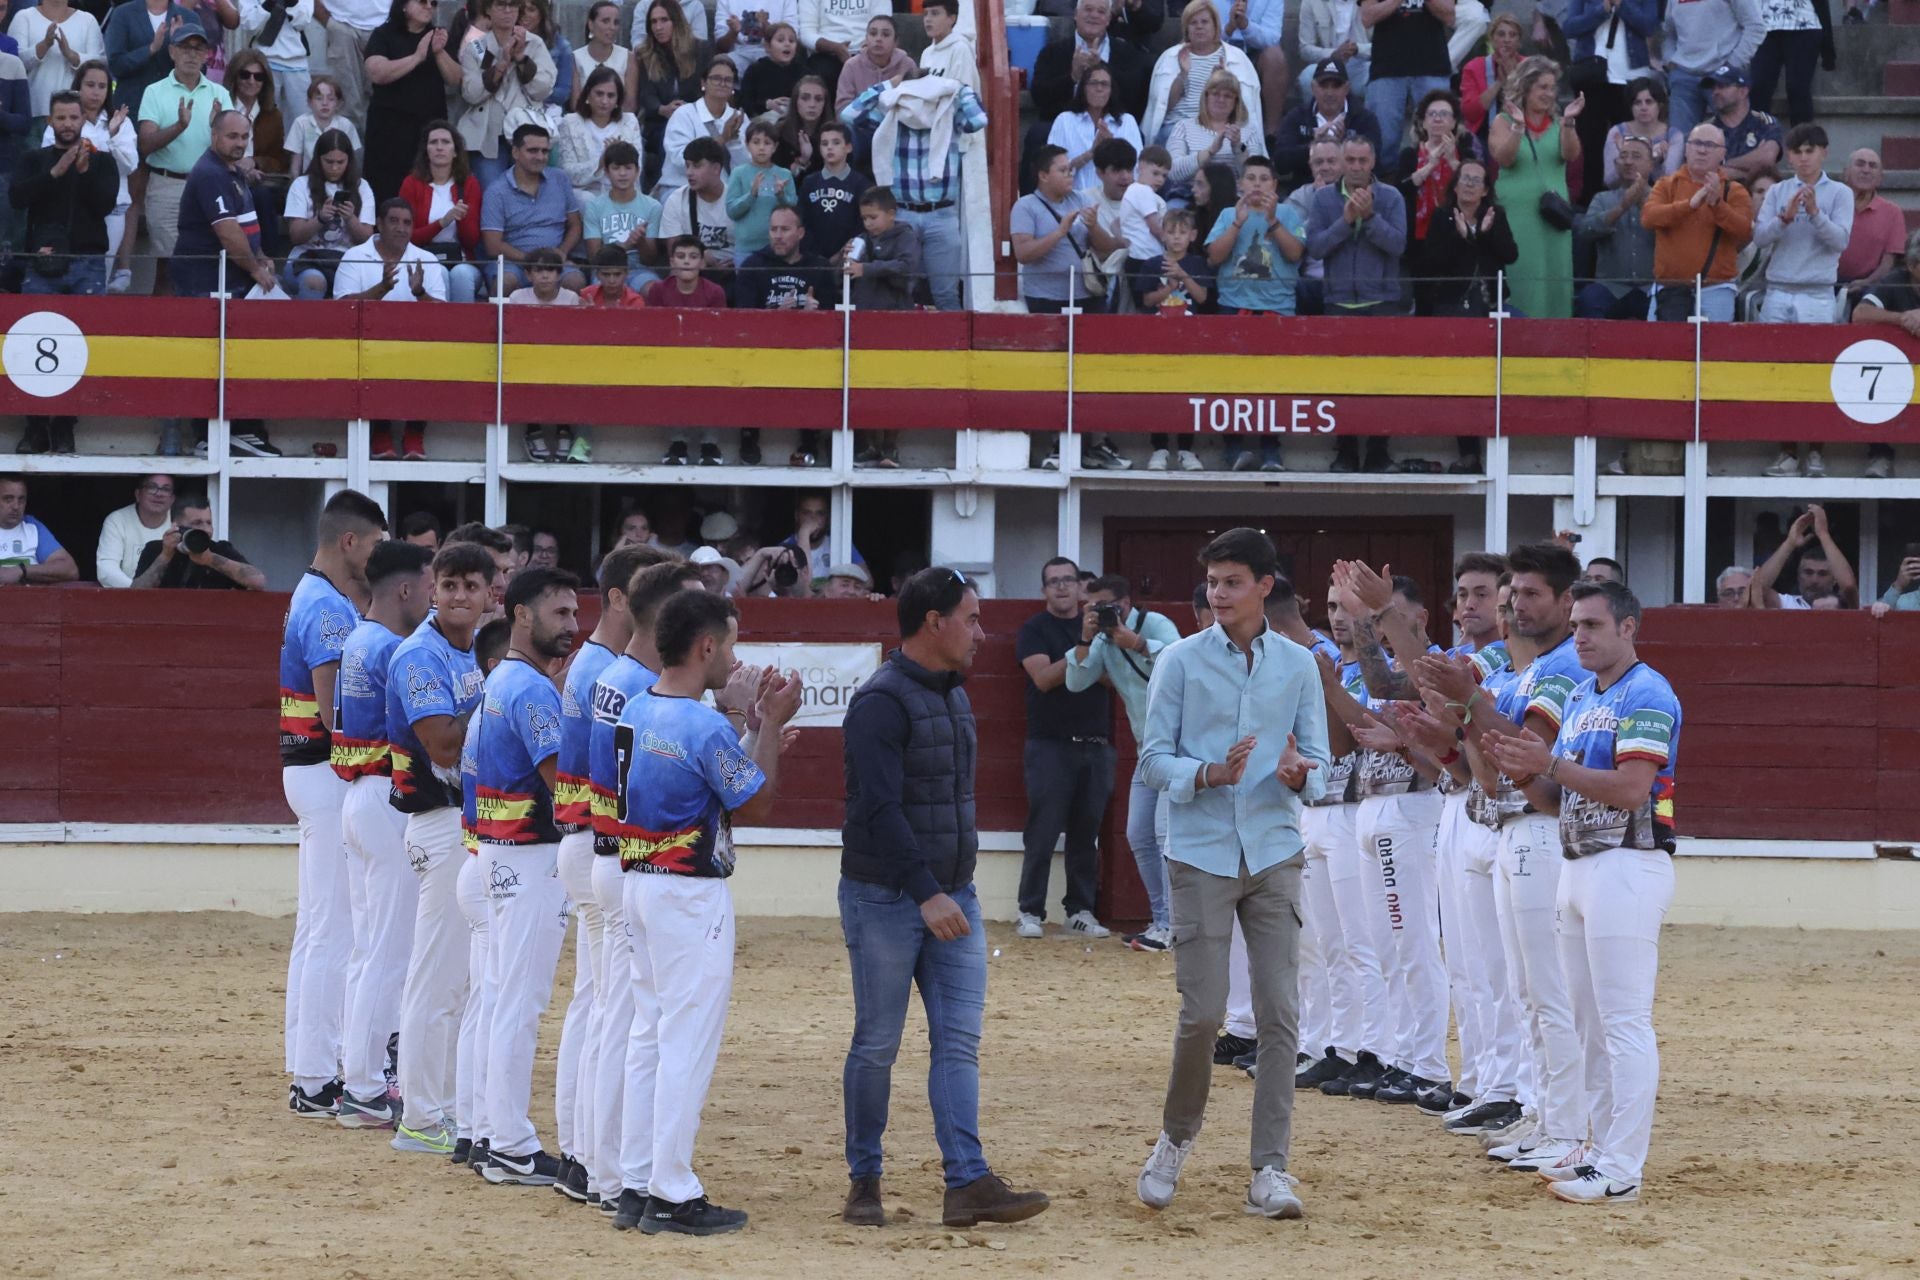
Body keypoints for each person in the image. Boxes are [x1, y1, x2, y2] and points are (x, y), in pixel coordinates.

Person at [838, 566, 1054, 1229]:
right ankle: (865, 1182)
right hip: (888, 898)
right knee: (878, 1042)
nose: (982, 632)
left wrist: (948, 888)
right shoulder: (879, 701)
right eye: (972, 617)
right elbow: (878, 809)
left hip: (948, 891)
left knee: (958, 1043)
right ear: (934, 622)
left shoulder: (952, 695)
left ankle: (967, 1183)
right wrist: (929, 893)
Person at [1135, 527, 1328, 1220]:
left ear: (1265, 587)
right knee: (1206, 1012)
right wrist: (1211, 773)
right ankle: (1174, 1142)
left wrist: (1302, 773)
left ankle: (1270, 1168)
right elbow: (1152, 759)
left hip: (1274, 847)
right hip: (1201, 851)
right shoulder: (1180, 662)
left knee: (1281, 1013)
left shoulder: (1300, 666)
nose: (1218, 594)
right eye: (1214, 582)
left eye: (1232, 582)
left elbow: (1323, 766)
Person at [1484, 578, 1682, 1204]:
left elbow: (1630, 789)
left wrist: (1548, 766)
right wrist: (1522, 773)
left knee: (1624, 1023)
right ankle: (1598, 1149)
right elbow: (1555, 797)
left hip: (1628, 861)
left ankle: (1623, 1165)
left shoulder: (1648, 692)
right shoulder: (1575, 697)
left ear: (1629, 627)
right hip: (1578, 863)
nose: (1581, 637)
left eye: (1593, 626)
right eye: (1575, 627)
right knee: (1590, 1023)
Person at [612, 589, 803, 1235]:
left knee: (648, 1034)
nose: (734, 657)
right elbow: (755, 806)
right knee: (684, 1041)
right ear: (705, 647)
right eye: (730, 643)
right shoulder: (700, 725)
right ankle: (671, 1190)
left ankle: (636, 1183)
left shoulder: (637, 710)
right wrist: (770, 726)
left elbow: (723, 785)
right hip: (688, 894)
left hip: (637, 880)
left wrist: (753, 730)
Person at [585, 552, 696, 1222]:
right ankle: (613, 1174)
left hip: (603, 850)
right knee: (628, 1023)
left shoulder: (615, 673)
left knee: (612, 1018)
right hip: (628, 857)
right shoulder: (638, 685)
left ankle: (602, 1167)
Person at [470, 567, 580, 1187]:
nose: (571, 625)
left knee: (502, 993)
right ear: (520, 616)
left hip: (501, 850)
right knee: (520, 997)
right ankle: (510, 1142)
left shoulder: (504, 681)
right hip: (532, 856)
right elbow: (562, 787)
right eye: (559, 613)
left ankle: (493, 1131)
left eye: (573, 613)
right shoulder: (530, 690)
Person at [279, 488, 387, 1117]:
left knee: (318, 925)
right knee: (334, 928)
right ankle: (316, 1079)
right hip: (324, 771)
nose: (379, 554)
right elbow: (333, 711)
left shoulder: (318, 597)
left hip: (309, 771)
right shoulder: (327, 609)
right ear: (350, 541)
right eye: (375, 543)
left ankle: (309, 1067)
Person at [388, 539, 496, 1155]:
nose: (458, 596)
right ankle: (422, 1117)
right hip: (439, 821)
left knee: (454, 977)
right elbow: (446, 747)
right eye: (449, 585)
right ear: (432, 589)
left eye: (470, 587)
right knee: (437, 973)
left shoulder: (467, 652)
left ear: (488, 594)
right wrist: (500, 696)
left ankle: (440, 1108)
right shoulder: (420, 656)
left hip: (460, 820)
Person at [327, 538, 435, 1128]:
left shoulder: (361, 640)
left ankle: (361, 1077)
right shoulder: (393, 650)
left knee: (371, 946)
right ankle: (366, 1086)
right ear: (404, 589)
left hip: (360, 796)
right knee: (387, 951)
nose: (433, 600)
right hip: (386, 797)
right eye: (428, 587)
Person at [1064, 572, 1183, 949]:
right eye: (1094, 608)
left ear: (1126, 604)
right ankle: (1161, 920)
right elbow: (1075, 683)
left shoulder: (1155, 624)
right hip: (1148, 748)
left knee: (1166, 835)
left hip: (1180, 746)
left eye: (1108, 607)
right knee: (1138, 835)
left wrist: (1139, 643)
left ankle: (1175, 925)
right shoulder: (1100, 638)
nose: (1102, 614)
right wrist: (1085, 637)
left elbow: (1183, 662)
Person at [1013, 557, 1115, 940]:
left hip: (1095, 741)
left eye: (1068, 580)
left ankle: (1080, 909)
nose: (1061, 587)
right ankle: (1030, 910)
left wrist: (1087, 650)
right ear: (1043, 590)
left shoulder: (1101, 629)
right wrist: (1084, 651)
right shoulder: (1035, 629)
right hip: (1050, 745)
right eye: (1053, 582)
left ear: (1080, 587)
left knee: (1086, 832)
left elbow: (1110, 677)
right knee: (1043, 830)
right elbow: (1042, 678)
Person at [840, 72, 987, 313]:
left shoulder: (949, 110)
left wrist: (958, 88)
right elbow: (849, 115)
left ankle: (953, 349)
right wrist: (889, 85)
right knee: (897, 290)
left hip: (941, 214)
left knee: (945, 294)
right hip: (901, 215)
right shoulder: (893, 113)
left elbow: (979, 119)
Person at [450, 610, 512, 1170]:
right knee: (501, 1003)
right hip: (500, 864)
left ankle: (473, 1129)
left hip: (478, 859)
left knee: (485, 1004)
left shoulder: (481, 716)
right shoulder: (510, 706)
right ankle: (494, 1136)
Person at [135, 25, 230, 298]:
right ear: (172, 51)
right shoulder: (155, 91)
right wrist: (179, 126)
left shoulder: (219, 94)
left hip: (209, 188)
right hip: (167, 184)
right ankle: (159, 334)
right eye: (185, 47)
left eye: (198, 48)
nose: (191, 53)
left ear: (207, 55)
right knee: (168, 266)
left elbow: (234, 147)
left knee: (206, 266)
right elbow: (146, 144)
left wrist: (217, 131)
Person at [1488, 56, 1580, 320]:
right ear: (1525, 88)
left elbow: (1571, 155)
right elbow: (1504, 158)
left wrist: (1570, 123)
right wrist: (1519, 127)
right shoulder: (1503, 121)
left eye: (1552, 88)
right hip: (1517, 217)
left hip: (1554, 217)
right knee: (1524, 278)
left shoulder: (1561, 122)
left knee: (1554, 280)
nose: (1549, 94)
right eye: (1542, 87)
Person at [1640, 122, 1753, 322]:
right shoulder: (1666, 185)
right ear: (1686, 149)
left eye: (1710, 145)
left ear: (1722, 154)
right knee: (1662, 351)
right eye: (1696, 143)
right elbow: (1649, 218)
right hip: (1670, 290)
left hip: (1715, 289)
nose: (1701, 150)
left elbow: (1744, 232)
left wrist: (1718, 205)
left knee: (1715, 351)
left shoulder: (1734, 191)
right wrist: (1689, 206)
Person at [12, 89, 118, 297]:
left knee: (93, 328)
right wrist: (53, 173)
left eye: (73, 117)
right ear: (50, 121)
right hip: (43, 257)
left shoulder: (103, 161)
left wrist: (84, 172)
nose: (67, 124)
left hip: (88, 261)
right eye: (60, 118)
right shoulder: (33, 159)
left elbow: (105, 206)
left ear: (84, 119)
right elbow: (16, 199)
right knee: (37, 328)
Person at [173, 108, 276, 303]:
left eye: (245, 137)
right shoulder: (211, 174)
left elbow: (246, 223)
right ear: (214, 136)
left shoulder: (233, 170)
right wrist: (255, 269)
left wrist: (260, 256)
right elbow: (228, 232)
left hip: (230, 277)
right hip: (206, 280)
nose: (240, 143)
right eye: (232, 136)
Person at [1752, 122, 1850, 323]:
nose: (1803, 157)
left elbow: (1840, 242)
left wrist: (1815, 213)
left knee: (1815, 354)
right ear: (1789, 156)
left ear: (1824, 152)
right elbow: (1760, 238)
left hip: (1818, 294)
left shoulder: (1840, 192)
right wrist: (1784, 219)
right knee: (1770, 354)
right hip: (1777, 291)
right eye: (1797, 152)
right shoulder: (1777, 191)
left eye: (1809, 150)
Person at [1562, 0, 1657, 201]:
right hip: (1593, 75)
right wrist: (1602, 9)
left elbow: (1649, 26)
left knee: (1631, 144)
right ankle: (1590, 202)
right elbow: (1569, 28)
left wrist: (1622, 5)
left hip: (1631, 78)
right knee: (1590, 142)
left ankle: (1634, 200)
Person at [458, 0, 557, 190]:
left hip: (526, 133)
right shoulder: (476, 47)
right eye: (500, 5)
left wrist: (521, 59)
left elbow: (543, 89)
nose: (507, 10)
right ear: (488, 9)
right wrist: (499, 67)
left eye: (512, 5)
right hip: (487, 136)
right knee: (492, 191)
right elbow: (470, 93)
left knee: (527, 190)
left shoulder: (534, 44)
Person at [1141, 0, 1262, 155]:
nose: (1199, 26)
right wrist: (1182, 76)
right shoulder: (1170, 56)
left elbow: (1244, 109)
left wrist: (1221, 81)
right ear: (1186, 28)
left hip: (1220, 125)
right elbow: (1163, 107)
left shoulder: (1236, 58)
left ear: (1215, 26)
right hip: (1177, 126)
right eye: (1193, 23)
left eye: (1204, 22)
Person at [61, 60, 139, 295]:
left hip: (112, 207)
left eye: (102, 86)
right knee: (66, 273)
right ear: (78, 86)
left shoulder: (121, 122)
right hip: (72, 208)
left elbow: (130, 166)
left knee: (99, 277)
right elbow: (52, 155)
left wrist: (113, 137)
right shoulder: (65, 118)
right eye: (90, 85)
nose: (96, 92)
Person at [481, 123, 585, 294]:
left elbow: (575, 225)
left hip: (555, 261)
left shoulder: (560, 179)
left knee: (575, 281)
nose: (540, 156)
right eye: (533, 151)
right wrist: (533, 261)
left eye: (545, 151)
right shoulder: (496, 191)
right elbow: (492, 245)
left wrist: (562, 252)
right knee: (504, 283)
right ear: (515, 152)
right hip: (514, 263)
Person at [1361, 0, 1456, 174]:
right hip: (1387, 67)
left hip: (1432, 66)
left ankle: (1435, 187)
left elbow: (1449, 15)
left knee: (1438, 135)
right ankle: (1383, 190)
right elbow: (1367, 17)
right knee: (1383, 139)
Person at [398, 119, 484, 306]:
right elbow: (406, 236)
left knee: (461, 274)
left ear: (455, 152)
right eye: (433, 142)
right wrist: (442, 223)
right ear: (426, 151)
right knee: (439, 272)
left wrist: (461, 218)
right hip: (422, 259)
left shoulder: (469, 184)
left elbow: (472, 240)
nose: (439, 147)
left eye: (445, 142)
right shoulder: (411, 184)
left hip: (462, 260)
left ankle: (466, 331)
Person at [1419, 157, 1515, 324]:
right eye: (1465, 178)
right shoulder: (1442, 216)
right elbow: (1431, 263)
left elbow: (1511, 255)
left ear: (1485, 190)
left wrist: (1485, 234)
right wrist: (1460, 237)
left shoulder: (1495, 215)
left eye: (1476, 180)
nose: (1470, 184)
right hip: (1451, 302)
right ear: (1455, 186)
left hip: (1490, 301)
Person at [283, 128, 375, 299]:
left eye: (340, 162)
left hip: (347, 261)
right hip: (305, 260)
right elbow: (295, 236)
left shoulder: (362, 187)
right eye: (329, 161)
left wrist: (350, 219)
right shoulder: (301, 185)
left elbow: (367, 239)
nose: (334, 168)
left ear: (349, 160)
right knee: (314, 282)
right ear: (318, 159)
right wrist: (319, 218)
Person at [1031, 0, 1152, 128]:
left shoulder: (1127, 53)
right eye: (1088, 9)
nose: (1094, 15)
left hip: (1112, 125)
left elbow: (1135, 97)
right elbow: (1039, 96)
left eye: (1101, 12)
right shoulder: (1052, 52)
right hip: (1064, 126)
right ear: (1076, 14)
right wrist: (1072, 77)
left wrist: (1101, 68)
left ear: (1108, 19)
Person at [1576, 134, 1657, 320]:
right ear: (1615, 163)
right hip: (1610, 287)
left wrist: (1644, 203)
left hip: (1650, 288)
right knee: (1589, 299)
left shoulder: (1664, 198)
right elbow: (1585, 231)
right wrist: (1622, 207)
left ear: (1651, 164)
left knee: (1671, 305)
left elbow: (1672, 235)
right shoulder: (1602, 199)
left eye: (1636, 156)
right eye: (1623, 156)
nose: (1628, 161)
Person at [630, 0, 707, 192]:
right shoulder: (646, 54)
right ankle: (667, 188)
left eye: (664, 20)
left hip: (695, 118)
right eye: (653, 22)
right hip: (659, 121)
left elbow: (704, 88)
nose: (658, 27)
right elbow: (646, 94)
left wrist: (685, 110)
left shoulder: (700, 50)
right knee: (668, 132)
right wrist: (662, 109)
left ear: (676, 21)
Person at [1013, 143, 1099, 312]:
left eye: (1070, 170)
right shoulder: (1025, 206)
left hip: (1087, 293)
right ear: (1044, 176)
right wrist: (1059, 232)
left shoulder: (1081, 199)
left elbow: (1104, 248)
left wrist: (1094, 226)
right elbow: (1023, 254)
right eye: (1063, 170)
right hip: (1045, 297)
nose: (1070, 175)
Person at [1271, 58, 1381, 189]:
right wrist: (1312, 146)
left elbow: (1375, 162)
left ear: (1346, 88)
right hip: (1306, 191)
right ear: (1313, 87)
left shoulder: (1365, 119)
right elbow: (1280, 162)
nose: (1329, 93)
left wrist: (1344, 145)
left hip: (1352, 192)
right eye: (1324, 86)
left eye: (1336, 86)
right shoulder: (1296, 117)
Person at [1660, 0, 1765, 137]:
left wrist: (1732, 66)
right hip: (1683, 78)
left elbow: (1756, 26)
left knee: (1735, 139)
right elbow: (1668, 32)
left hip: (1723, 78)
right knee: (1679, 141)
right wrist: (1670, 61)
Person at [129, 493, 265, 590]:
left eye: (209, 522)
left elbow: (258, 581)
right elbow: (136, 593)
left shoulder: (220, 549)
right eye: (197, 523)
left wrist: (210, 559)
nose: (206, 529)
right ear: (176, 526)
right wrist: (165, 556)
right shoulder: (156, 549)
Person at [1047, 61, 1143, 195]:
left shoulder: (1127, 121)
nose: (1099, 88)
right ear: (1083, 88)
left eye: (1104, 84)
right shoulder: (1064, 120)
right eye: (1093, 83)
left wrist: (1113, 148)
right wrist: (1091, 153)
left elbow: (1137, 171)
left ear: (1111, 90)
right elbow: (1054, 171)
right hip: (1073, 200)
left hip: (1116, 201)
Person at [583, 138, 664, 291]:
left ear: (638, 171)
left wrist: (640, 242)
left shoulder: (653, 206)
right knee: (599, 290)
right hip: (605, 270)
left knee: (653, 289)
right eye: (616, 168)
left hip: (639, 269)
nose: (622, 174)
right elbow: (594, 257)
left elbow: (650, 259)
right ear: (607, 172)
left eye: (628, 168)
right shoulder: (594, 206)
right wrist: (625, 245)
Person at [335, 196, 450, 303]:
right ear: (380, 224)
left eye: (407, 223)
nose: (401, 229)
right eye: (394, 221)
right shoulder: (354, 256)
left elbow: (441, 312)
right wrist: (382, 288)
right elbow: (343, 307)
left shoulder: (427, 259)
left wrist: (420, 293)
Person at [1165, 67, 1260, 194]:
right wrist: (1210, 151)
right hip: (1190, 194)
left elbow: (1255, 174)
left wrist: (1238, 146)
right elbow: (1173, 172)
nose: (1221, 100)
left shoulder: (1249, 130)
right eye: (1215, 94)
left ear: (1236, 101)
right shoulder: (1183, 127)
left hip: (1233, 197)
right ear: (1206, 96)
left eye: (1228, 96)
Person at [658, 55, 745, 193]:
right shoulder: (684, 114)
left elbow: (746, 166)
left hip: (726, 192)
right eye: (716, 78)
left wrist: (734, 141)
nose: (722, 83)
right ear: (703, 83)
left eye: (728, 80)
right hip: (681, 188)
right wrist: (722, 140)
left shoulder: (740, 119)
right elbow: (680, 160)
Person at [1743, 505, 1857, 608]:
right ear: (1798, 576)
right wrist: (1789, 543)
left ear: (1834, 580)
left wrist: (1823, 534)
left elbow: (1849, 587)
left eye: (1822, 574)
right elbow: (1756, 590)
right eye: (1808, 572)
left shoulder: (1842, 606)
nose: (1814, 580)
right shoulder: (1788, 604)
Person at [9, 0, 103, 125]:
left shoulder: (88, 20)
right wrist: (45, 45)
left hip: (77, 115)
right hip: (35, 112)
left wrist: (70, 54)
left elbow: (98, 65)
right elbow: (14, 63)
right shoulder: (23, 17)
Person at [557, 64, 644, 198]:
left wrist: (620, 156)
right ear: (588, 95)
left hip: (623, 192)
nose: (604, 101)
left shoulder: (629, 122)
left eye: (611, 96)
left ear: (617, 100)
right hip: (586, 193)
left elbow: (638, 167)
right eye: (599, 94)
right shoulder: (570, 122)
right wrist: (601, 162)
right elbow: (567, 173)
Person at [658, 134, 736, 273]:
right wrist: (705, 261)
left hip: (733, 273)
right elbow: (675, 255)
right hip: (692, 273)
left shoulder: (736, 199)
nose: (689, 173)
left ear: (716, 168)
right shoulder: (676, 200)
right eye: (687, 166)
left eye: (697, 166)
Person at [734, 203, 833, 308]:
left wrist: (812, 315)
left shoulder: (819, 268)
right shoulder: (752, 267)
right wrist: (779, 315)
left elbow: (833, 317)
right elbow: (745, 318)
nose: (778, 236)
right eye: (773, 229)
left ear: (800, 233)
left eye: (785, 229)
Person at [723, 117, 797, 256]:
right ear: (747, 145)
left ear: (775, 147)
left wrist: (781, 195)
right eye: (756, 142)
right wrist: (751, 195)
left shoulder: (784, 174)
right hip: (746, 248)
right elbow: (732, 210)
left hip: (777, 248)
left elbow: (793, 209)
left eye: (767, 143)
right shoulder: (738, 173)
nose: (761, 147)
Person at [798, 120, 868, 262]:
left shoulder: (861, 183)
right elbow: (803, 221)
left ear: (848, 147)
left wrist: (844, 253)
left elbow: (862, 225)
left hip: (849, 257)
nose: (829, 148)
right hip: (814, 258)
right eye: (825, 144)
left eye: (836, 143)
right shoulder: (809, 182)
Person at [1705, 63, 1781, 188]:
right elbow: (1704, 172)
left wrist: (1725, 163)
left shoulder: (1764, 122)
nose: (1715, 92)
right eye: (1714, 88)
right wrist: (1748, 171)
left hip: (1756, 200)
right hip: (1718, 197)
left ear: (1743, 92)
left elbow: (1766, 159)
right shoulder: (1707, 129)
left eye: (1722, 86)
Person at [95, 475, 175, 587]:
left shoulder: (179, 520)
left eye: (166, 489)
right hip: (126, 597)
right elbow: (106, 569)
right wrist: (135, 590)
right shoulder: (117, 520)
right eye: (152, 487)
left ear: (172, 499)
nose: (159, 494)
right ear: (138, 494)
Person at [1602, 76, 1683, 186]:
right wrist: (1650, 156)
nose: (1643, 107)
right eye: (1637, 103)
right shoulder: (1617, 132)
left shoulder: (1673, 135)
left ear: (1659, 105)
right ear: (1631, 107)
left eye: (1649, 102)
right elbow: (1610, 180)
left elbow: (1670, 180)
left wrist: (1654, 162)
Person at [0, 473, 79, 584]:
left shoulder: (32, 526)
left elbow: (69, 569)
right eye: (8, 499)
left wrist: (21, 571)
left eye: (21, 499)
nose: (16, 506)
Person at [797, 0, 886, 88]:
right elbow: (806, 33)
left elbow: (883, 24)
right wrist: (835, 48)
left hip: (867, 51)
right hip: (826, 54)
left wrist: (867, 47)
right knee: (818, 76)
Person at [833, 14, 912, 114]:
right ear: (866, 39)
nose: (878, 39)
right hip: (860, 126)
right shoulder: (851, 66)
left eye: (886, 34)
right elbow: (842, 111)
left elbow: (915, 106)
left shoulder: (907, 65)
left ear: (896, 42)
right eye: (873, 33)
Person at [1458, 12, 1520, 138]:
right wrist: (1498, 83)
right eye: (1501, 34)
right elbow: (1470, 113)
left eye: (1512, 35)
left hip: (1522, 132)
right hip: (1484, 133)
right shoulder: (1474, 67)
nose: (1507, 40)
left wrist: (1512, 78)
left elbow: (1534, 107)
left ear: (1519, 41)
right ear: (1492, 39)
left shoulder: (1529, 66)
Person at [1296, 0, 1371, 103]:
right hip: (1327, 65)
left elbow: (1384, 46)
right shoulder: (1311, 2)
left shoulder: (1374, 2)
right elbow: (1305, 49)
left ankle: (1370, 119)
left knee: (1381, 78)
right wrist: (1333, 54)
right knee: (1308, 77)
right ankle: (1315, 118)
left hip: (1362, 66)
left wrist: (1357, 49)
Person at [740, 22, 803, 118]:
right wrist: (766, 104)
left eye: (791, 41)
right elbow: (745, 102)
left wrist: (796, 104)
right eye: (781, 40)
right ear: (767, 46)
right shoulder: (755, 70)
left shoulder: (803, 73)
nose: (787, 44)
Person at [771, 68, 828, 175]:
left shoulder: (835, 133)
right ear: (795, 101)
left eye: (818, 99)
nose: (812, 105)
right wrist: (803, 160)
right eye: (805, 98)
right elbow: (774, 177)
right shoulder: (779, 132)